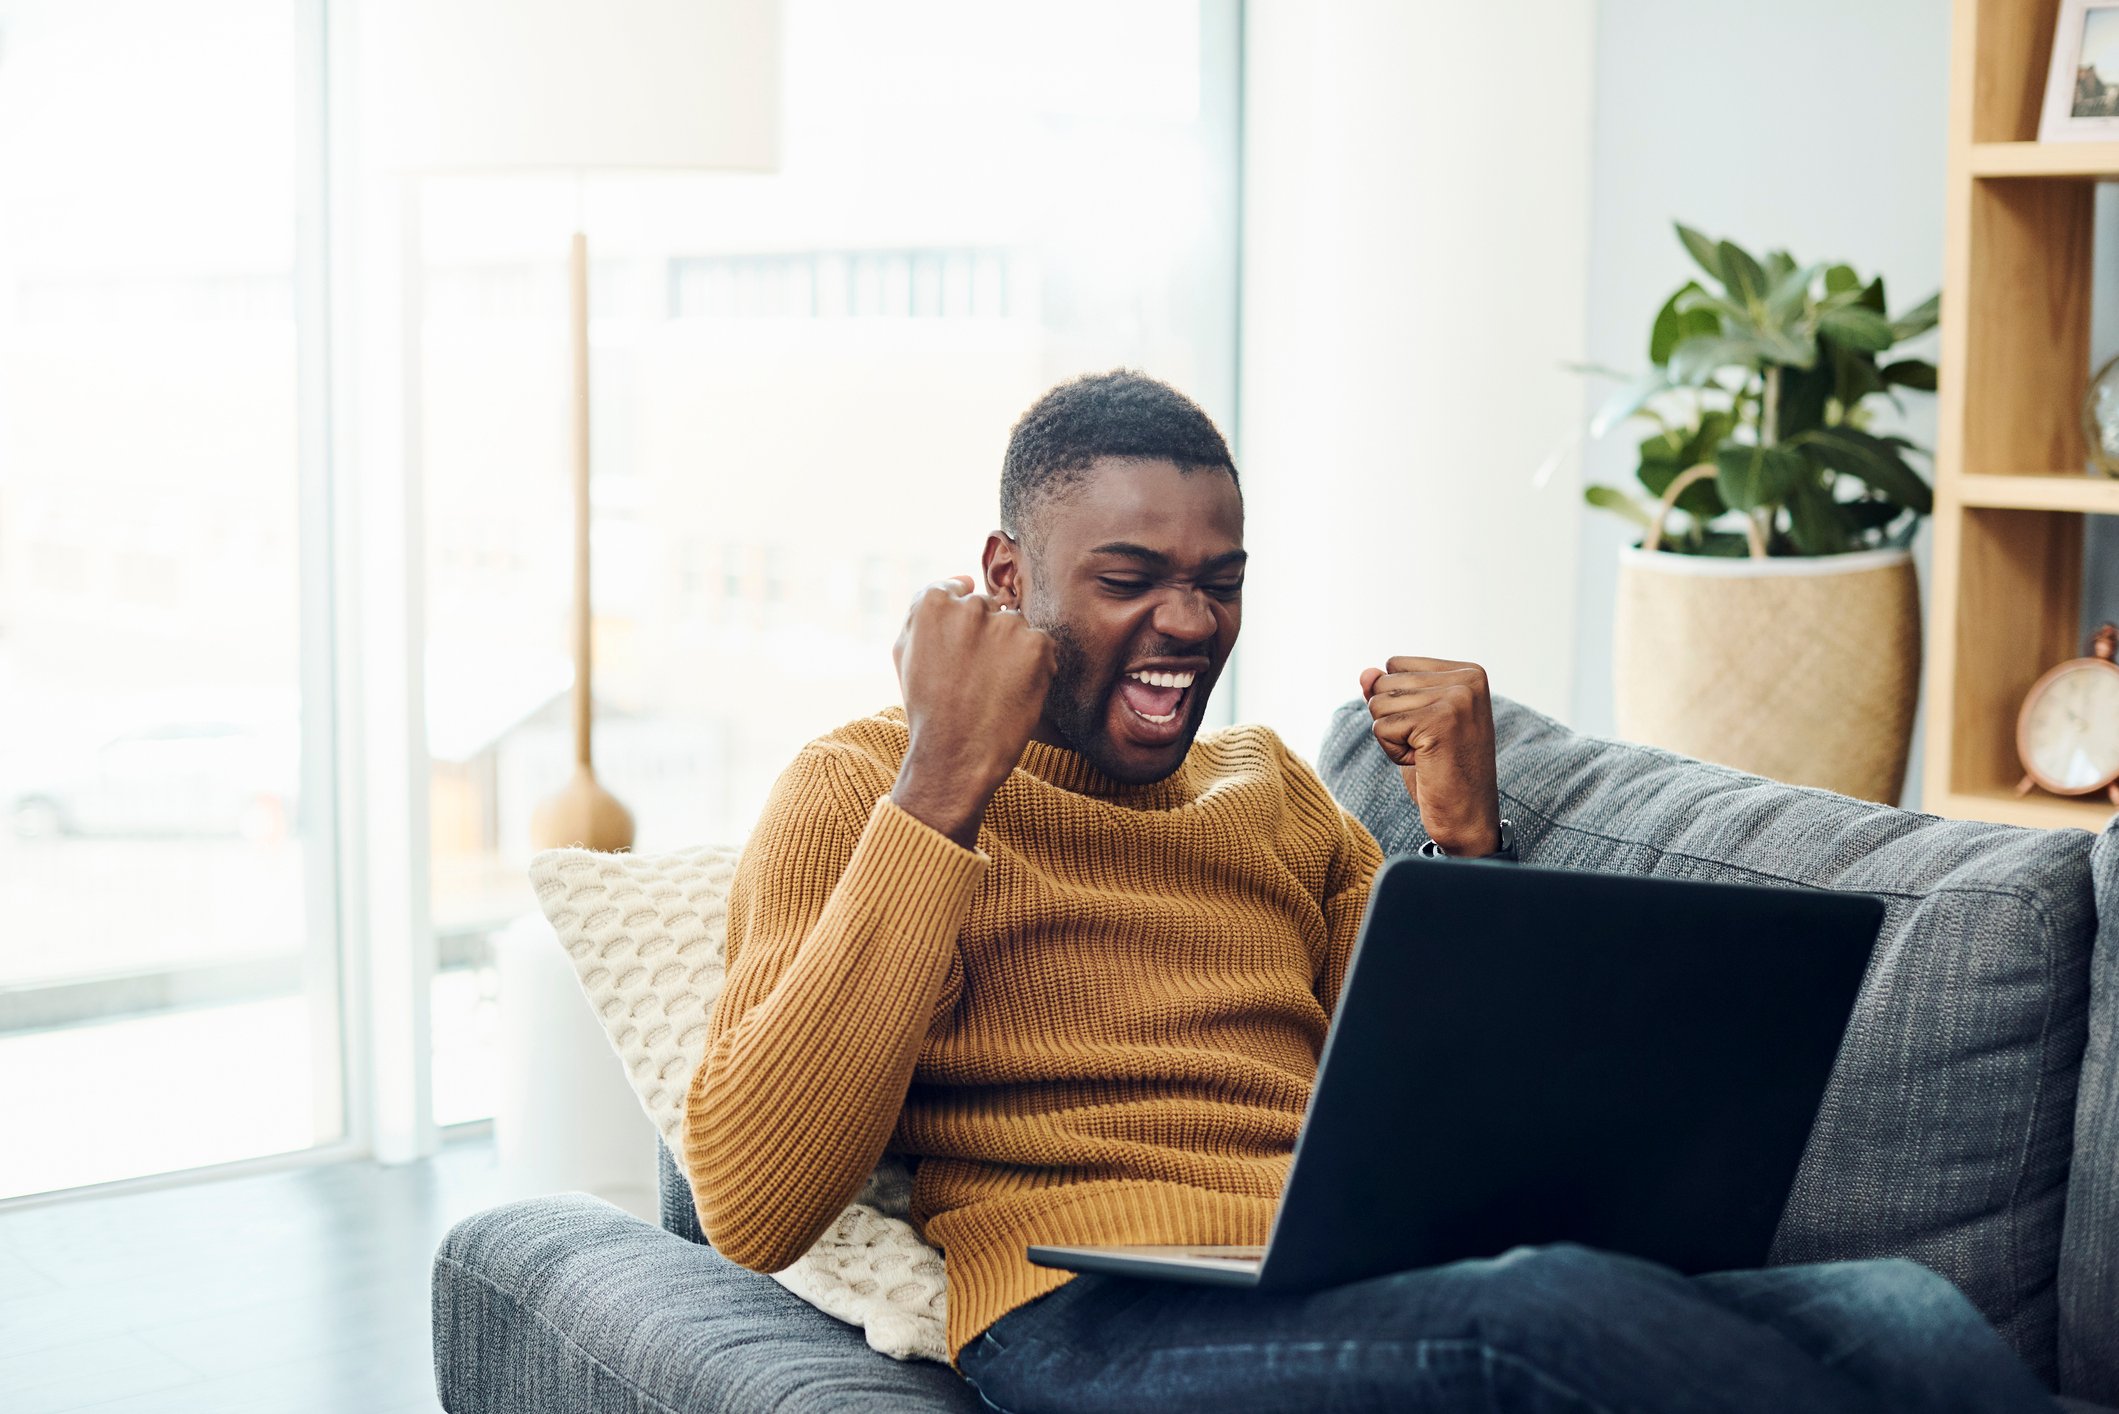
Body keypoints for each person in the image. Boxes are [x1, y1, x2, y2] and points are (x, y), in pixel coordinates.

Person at [685, 370, 2057, 1413]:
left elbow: (1481, 1124)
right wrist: (944, 786)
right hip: (1085, 1307)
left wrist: (1467, 847)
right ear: (1005, 578)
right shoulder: (864, 787)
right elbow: (751, 1200)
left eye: (1220, 583)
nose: (1189, 622)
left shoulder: (1269, 792)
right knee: (1547, 1317)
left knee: (1901, 1310)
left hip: (1330, 1272)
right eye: (1130, 579)